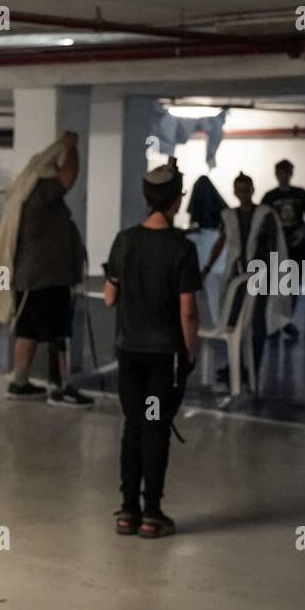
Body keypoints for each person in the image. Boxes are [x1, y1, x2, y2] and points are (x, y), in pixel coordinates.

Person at [103, 162, 201, 538]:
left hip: (130, 354)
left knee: (133, 427)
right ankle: (152, 513)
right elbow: (188, 311)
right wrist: (190, 354)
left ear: (146, 197)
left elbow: (111, 298)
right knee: (156, 428)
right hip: (165, 359)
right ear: (177, 200)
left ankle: (126, 511)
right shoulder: (183, 249)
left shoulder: (124, 241)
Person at [0, 131, 91, 407]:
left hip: (31, 278)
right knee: (58, 333)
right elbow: (69, 177)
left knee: (28, 331)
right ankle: (60, 388)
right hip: (47, 278)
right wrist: (71, 148)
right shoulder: (42, 191)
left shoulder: (24, 195)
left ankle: (19, 383)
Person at [201, 172, 290, 386]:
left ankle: (253, 368)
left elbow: (273, 243)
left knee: (255, 321)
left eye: (246, 189)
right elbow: (222, 242)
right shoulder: (228, 216)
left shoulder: (265, 214)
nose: (243, 194)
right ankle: (237, 366)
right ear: (235, 192)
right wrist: (207, 267)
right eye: (239, 190)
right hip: (236, 275)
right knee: (234, 321)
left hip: (260, 276)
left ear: (252, 190)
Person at [260, 159, 305, 340]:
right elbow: (262, 220)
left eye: (286, 173)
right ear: (276, 174)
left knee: (292, 285)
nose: (283, 176)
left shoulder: (300, 194)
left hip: (296, 244)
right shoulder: (270, 197)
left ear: (291, 174)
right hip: (277, 245)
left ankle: (286, 321)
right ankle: (275, 322)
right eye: (280, 173)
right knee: (275, 285)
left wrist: (303, 230)